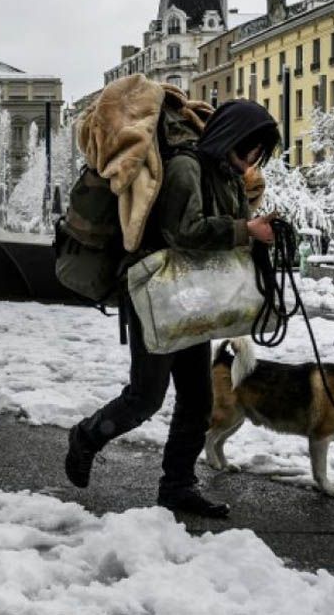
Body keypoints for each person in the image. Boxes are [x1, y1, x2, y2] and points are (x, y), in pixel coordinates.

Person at [65, 99, 281, 518]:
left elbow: (229, 229)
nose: (253, 157)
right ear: (230, 136)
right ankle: (86, 437)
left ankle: (178, 486)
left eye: (260, 152)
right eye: (250, 146)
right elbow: (182, 232)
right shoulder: (186, 166)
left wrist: (255, 227)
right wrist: (243, 229)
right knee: (146, 396)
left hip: (187, 298)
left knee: (197, 400)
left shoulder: (225, 174)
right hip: (155, 295)